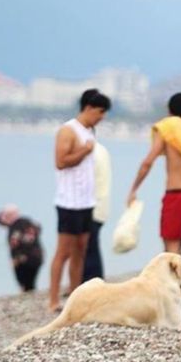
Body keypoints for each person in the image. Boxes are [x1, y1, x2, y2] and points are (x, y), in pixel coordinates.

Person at [127, 92, 181, 269]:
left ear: (169, 110)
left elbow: (147, 162)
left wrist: (134, 189)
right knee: (178, 250)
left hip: (176, 195)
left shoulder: (168, 130)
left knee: (171, 251)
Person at [50, 88, 111, 312]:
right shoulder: (68, 130)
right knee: (63, 251)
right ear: (88, 108)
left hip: (87, 201)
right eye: (100, 112)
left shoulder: (90, 131)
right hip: (68, 202)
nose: (102, 117)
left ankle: (75, 295)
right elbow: (60, 161)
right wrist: (84, 152)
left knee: (81, 249)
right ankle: (53, 299)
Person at [0, 204, 44, 292]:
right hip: (37, 257)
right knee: (31, 282)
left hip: (23, 260)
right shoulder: (28, 222)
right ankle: (30, 293)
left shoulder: (15, 227)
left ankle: (27, 294)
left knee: (24, 283)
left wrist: (16, 259)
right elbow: (38, 229)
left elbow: (15, 244)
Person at [83, 141, 111, 282]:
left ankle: (92, 281)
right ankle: (95, 280)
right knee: (92, 247)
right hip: (101, 205)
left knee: (88, 248)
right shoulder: (102, 150)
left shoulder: (90, 152)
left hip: (91, 206)